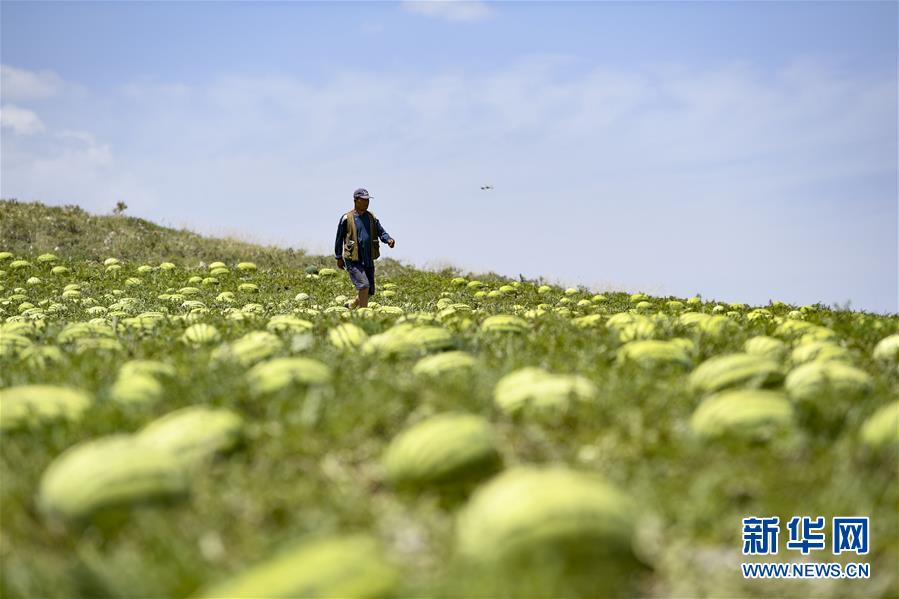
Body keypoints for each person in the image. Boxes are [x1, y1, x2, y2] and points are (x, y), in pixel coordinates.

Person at [334, 188, 395, 309]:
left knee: (370, 291)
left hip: (368, 258)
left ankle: (351, 305)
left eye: (368, 200)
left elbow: (381, 231)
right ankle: (363, 313)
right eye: (364, 200)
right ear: (356, 200)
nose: (367, 203)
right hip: (353, 259)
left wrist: (388, 239)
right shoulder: (346, 218)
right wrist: (338, 257)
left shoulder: (371, 217)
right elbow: (339, 238)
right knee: (364, 286)